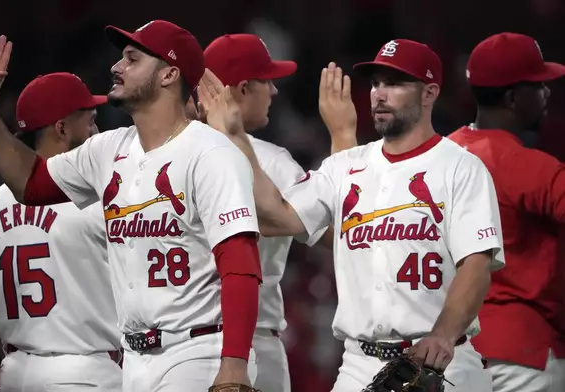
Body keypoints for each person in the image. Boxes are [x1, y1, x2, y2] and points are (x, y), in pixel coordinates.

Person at [0, 21, 261, 391]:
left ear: (170, 74)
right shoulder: (107, 149)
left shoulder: (211, 153)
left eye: (132, 58)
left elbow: (241, 265)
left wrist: (233, 367)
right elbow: (30, 183)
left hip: (198, 350)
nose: (116, 67)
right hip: (134, 359)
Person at [199, 38, 504, 392]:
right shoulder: (345, 167)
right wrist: (235, 136)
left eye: (394, 83)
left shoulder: (461, 168)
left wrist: (443, 336)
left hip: (442, 361)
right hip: (359, 364)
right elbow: (276, 218)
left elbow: (476, 266)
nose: (379, 94)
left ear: (429, 92)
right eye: (375, 83)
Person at [201, 33, 356, 392]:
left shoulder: (164, 155)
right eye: (266, 80)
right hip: (254, 344)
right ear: (240, 89)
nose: (273, 91)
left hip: (168, 346)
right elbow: (348, 233)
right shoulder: (271, 161)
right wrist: (343, 138)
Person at [0, 72, 122, 392]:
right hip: (86, 374)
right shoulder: (98, 203)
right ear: (62, 128)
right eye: (90, 121)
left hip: (15, 374)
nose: (97, 130)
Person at [448, 32, 565, 392]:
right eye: (538, 85)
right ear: (514, 97)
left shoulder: (438, 156)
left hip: (450, 351)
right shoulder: (531, 167)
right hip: (524, 354)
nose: (547, 93)